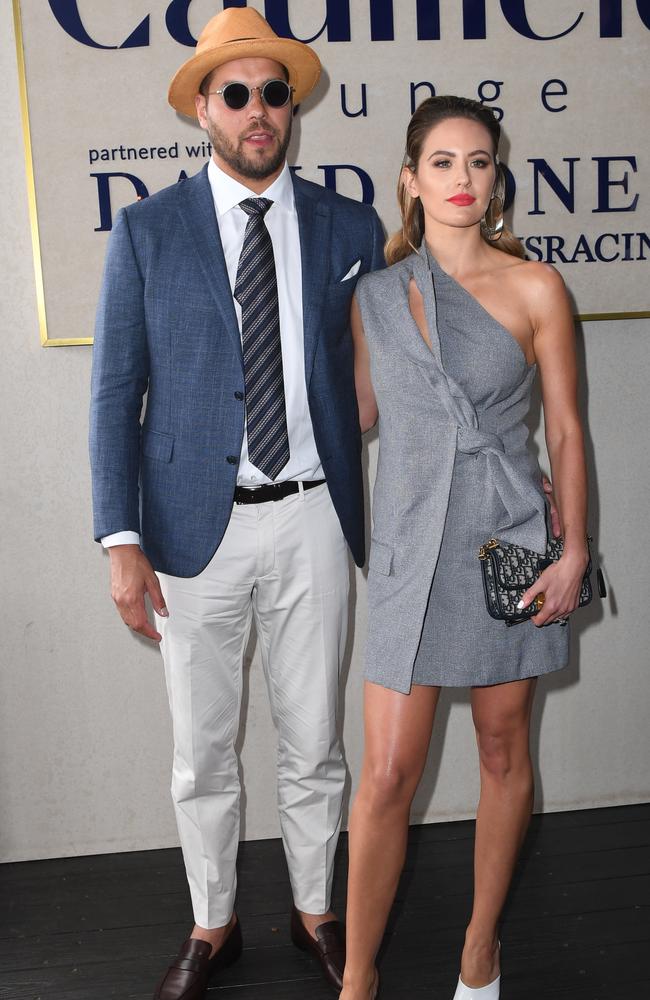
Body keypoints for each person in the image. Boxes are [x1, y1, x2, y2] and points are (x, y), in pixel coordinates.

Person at [89, 9, 385, 999]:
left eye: (274, 93)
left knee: (315, 741)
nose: (259, 112)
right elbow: (113, 389)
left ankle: (315, 912)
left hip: (311, 515)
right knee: (201, 751)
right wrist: (119, 536)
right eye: (237, 94)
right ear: (203, 111)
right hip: (186, 533)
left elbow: (378, 370)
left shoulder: (348, 226)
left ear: (290, 108)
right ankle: (212, 923)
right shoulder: (145, 229)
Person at [341, 95, 589, 1000]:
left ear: (497, 181)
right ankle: (358, 979)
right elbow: (357, 414)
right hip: (412, 544)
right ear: (409, 180)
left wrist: (573, 549)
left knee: (500, 749)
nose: (461, 180)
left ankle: (480, 950)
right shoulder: (372, 295)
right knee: (387, 777)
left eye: (479, 162)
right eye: (442, 162)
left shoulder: (536, 289)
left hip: (509, 539)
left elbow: (564, 431)